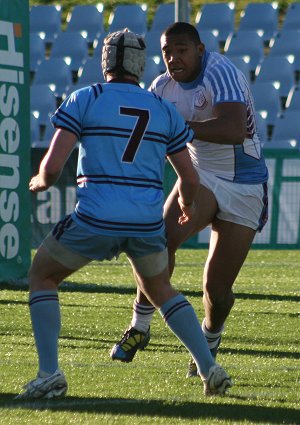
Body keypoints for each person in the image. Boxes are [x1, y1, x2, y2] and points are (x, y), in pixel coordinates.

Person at [16, 28, 232, 400]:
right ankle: (210, 368)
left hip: (96, 218)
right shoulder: (162, 109)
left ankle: (50, 373)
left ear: (105, 62)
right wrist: (184, 203)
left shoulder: (85, 98)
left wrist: (37, 182)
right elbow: (189, 177)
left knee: (42, 275)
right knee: (160, 288)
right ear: (140, 65)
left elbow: (52, 171)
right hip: (146, 222)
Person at [110, 22, 269, 377]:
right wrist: (184, 179)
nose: (173, 58)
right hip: (199, 177)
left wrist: (178, 129)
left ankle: (210, 338)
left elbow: (233, 129)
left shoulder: (221, 71)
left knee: (216, 288)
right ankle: (140, 326)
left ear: (199, 49)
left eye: (181, 50)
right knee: (158, 242)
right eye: (167, 51)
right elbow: (154, 137)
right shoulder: (160, 88)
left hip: (244, 184)